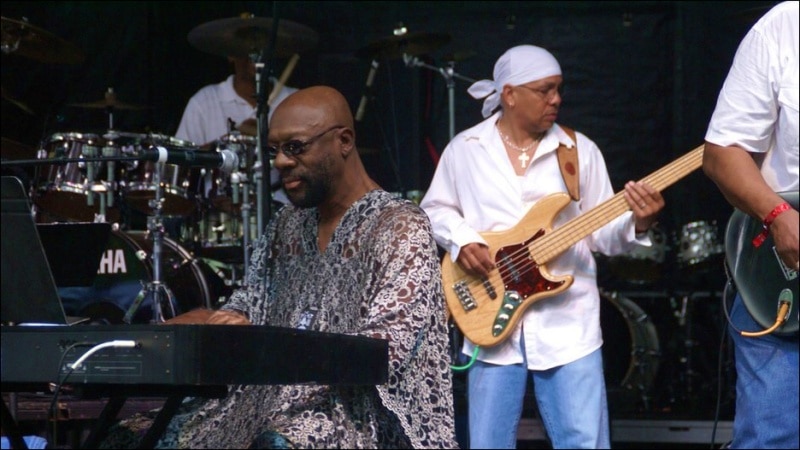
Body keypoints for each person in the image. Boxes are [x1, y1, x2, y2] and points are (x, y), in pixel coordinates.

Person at [101, 85, 459, 449]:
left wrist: (269, 344)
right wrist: (218, 320)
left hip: (360, 415)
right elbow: (248, 302)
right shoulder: (287, 224)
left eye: (296, 147)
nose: (280, 162)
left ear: (344, 141)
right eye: (274, 150)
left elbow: (383, 351)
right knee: (127, 437)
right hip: (265, 404)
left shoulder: (400, 226)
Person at [419, 45, 665, 449]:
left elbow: (603, 234)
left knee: (584, 442)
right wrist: (462, 241)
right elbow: (434, 209)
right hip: (489, 315)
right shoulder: (466, 149)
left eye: (559, 89)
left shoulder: (579, 151)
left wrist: (639, 220)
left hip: (569, 325)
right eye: (545, 90)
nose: (556, 99)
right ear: (510, 94)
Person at [702, 1, 799, 448]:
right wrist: (778, 215)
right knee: (771, 438)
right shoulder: (784, 26)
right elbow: (723, 153)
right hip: (786, 275)